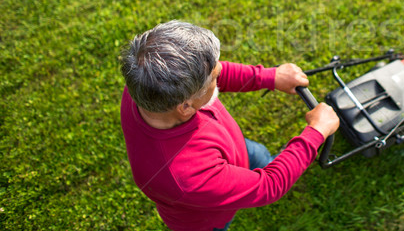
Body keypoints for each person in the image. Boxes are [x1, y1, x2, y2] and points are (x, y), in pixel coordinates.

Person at [119, 20, 339, 231]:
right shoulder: (187, 178)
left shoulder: (145, 82)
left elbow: (212, 72)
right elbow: (270, 185)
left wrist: (268, 76)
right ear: (186, 106)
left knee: (258, 155)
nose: (220, 74)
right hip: (208, 219)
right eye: (214, 77)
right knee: (265, 172)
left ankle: (267, 161)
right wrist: (316, 132)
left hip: (231, 147)